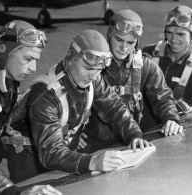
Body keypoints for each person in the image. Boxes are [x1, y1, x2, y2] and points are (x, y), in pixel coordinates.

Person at [7, 29, 151, 183]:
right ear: (70, 60)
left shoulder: (92, 80)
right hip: (30, 161)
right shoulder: (45, 95)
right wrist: (93, 162)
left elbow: (114, 108)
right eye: (88, 68)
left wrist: (134, 134)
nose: (93, 76)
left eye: (99, 70)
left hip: (65, 154)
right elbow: (51, 152)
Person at [0, 20, 61, 195]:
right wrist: (12, 192)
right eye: (28, 59)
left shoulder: (7, 84)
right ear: (5, 52)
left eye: (36, 60)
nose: (33, 68)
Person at [77, 9, 183, 154]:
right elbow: (65, 93)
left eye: (130, 42)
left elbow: (162, 97)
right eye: (119, 39)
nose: (124, 48)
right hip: (91, 144)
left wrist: (171, 118)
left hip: (130, 142)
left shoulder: (146, 66)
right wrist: (69, 130)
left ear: (137, 42)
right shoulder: (93, 62)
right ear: (109, 35)